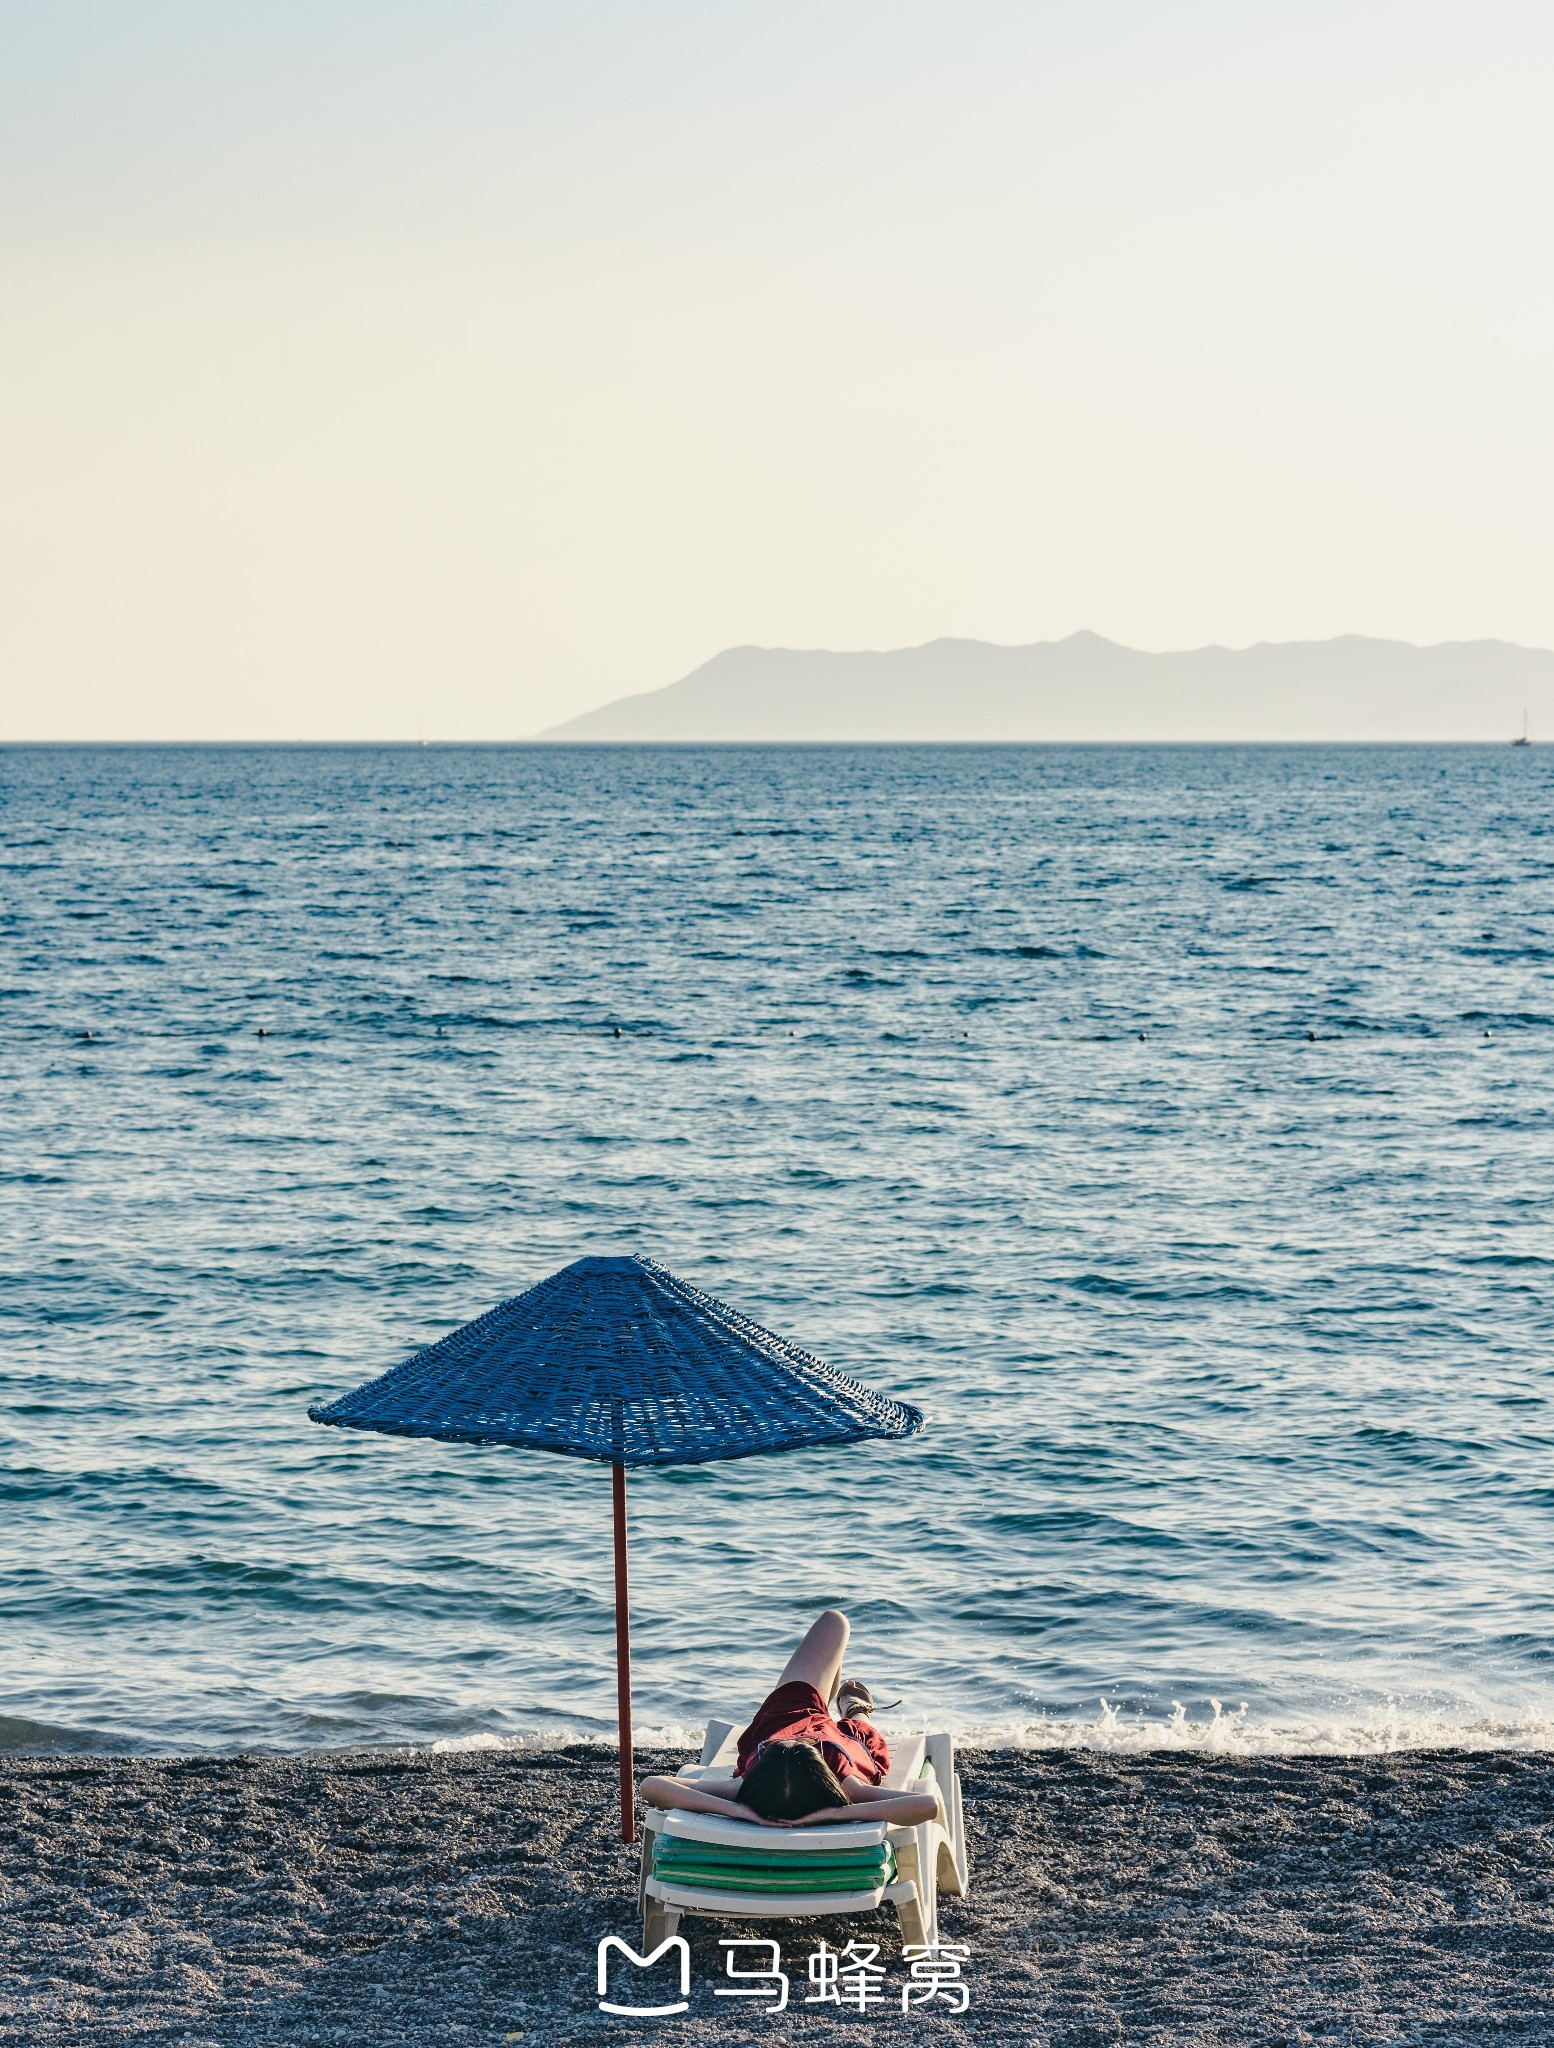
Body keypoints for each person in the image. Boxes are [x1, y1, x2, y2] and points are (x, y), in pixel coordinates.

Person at [640, 1609, 944, 1829]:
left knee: (833, 1625)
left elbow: (651, 1785)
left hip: (784, 1721)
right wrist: (834, 1814)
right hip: (839, 1745)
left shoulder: (743, 1791)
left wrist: (740, 1812)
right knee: (836, 1626)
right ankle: (854, 1710)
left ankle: (833, 1703)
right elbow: (927, 1806)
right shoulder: (849, 1788)